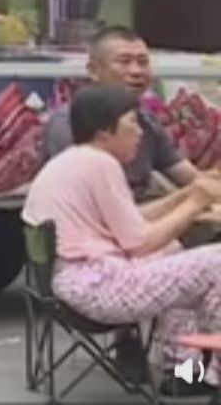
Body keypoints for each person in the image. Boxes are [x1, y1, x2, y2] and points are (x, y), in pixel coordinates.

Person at [24, 84, 221, 394]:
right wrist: (196, 203)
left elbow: (130, 219)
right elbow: (139, 242)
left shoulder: (74, 161)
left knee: (174, 254)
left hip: (69, 283)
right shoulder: (100, 163)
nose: (140, 133)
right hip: (96, 286)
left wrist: (184, 196)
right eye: (132, 123)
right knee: (216, 262)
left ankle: (186, 373)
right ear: (105, 130)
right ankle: (211, 374)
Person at [44, 27, 198, 199]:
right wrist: (191, 199)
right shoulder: (71, 122)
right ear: (94, 71)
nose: (137, 71)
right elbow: (96, 206)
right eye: (124, 62)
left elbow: (189, 176)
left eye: (143, 62)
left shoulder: (146, 119)